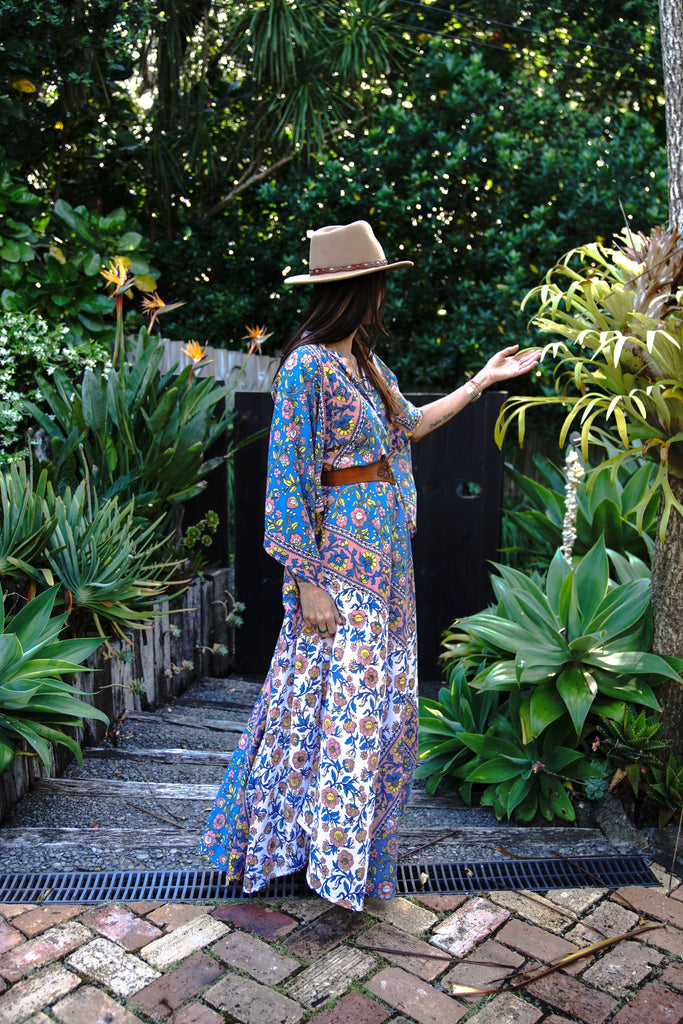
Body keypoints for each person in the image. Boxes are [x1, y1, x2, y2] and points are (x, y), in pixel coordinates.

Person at [197, 221, 539, 911]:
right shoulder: (307, 367)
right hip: (339, 566)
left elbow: (410, 425)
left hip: (387, 565)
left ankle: (336, 852)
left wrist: (481, 381)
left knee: (368, 708)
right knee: (323, 705)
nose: (383, 296)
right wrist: (308, 581)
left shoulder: (367, 365)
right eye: (378, 284)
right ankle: (301, 851)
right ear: (358, 291)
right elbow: (287, 479)